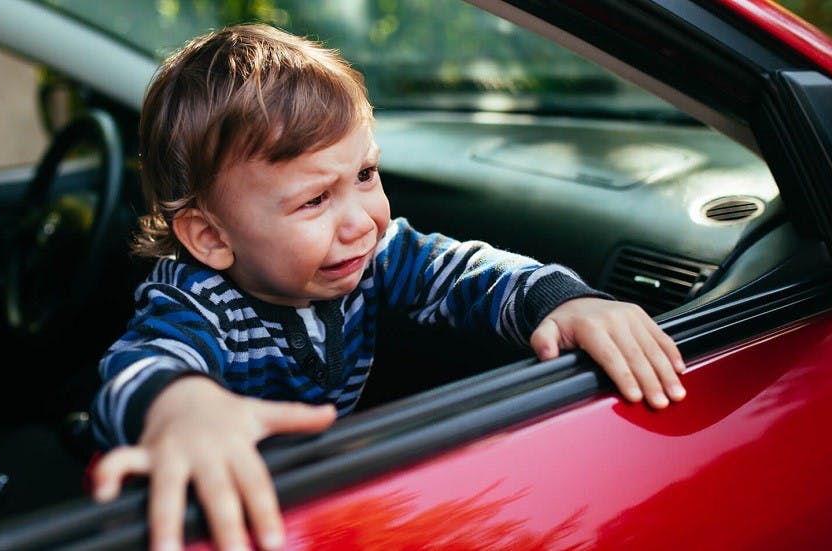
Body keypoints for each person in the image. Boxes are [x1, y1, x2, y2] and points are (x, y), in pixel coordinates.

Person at [88, 23, 687, 551]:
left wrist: (565, 301)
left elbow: (466, 271)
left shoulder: (368, 257)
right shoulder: (197, 302)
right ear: (212, 237)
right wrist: (184, 410)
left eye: (366, 174)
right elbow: (140, 366)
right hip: (223, 512)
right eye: (315, 199)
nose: (361, 221)